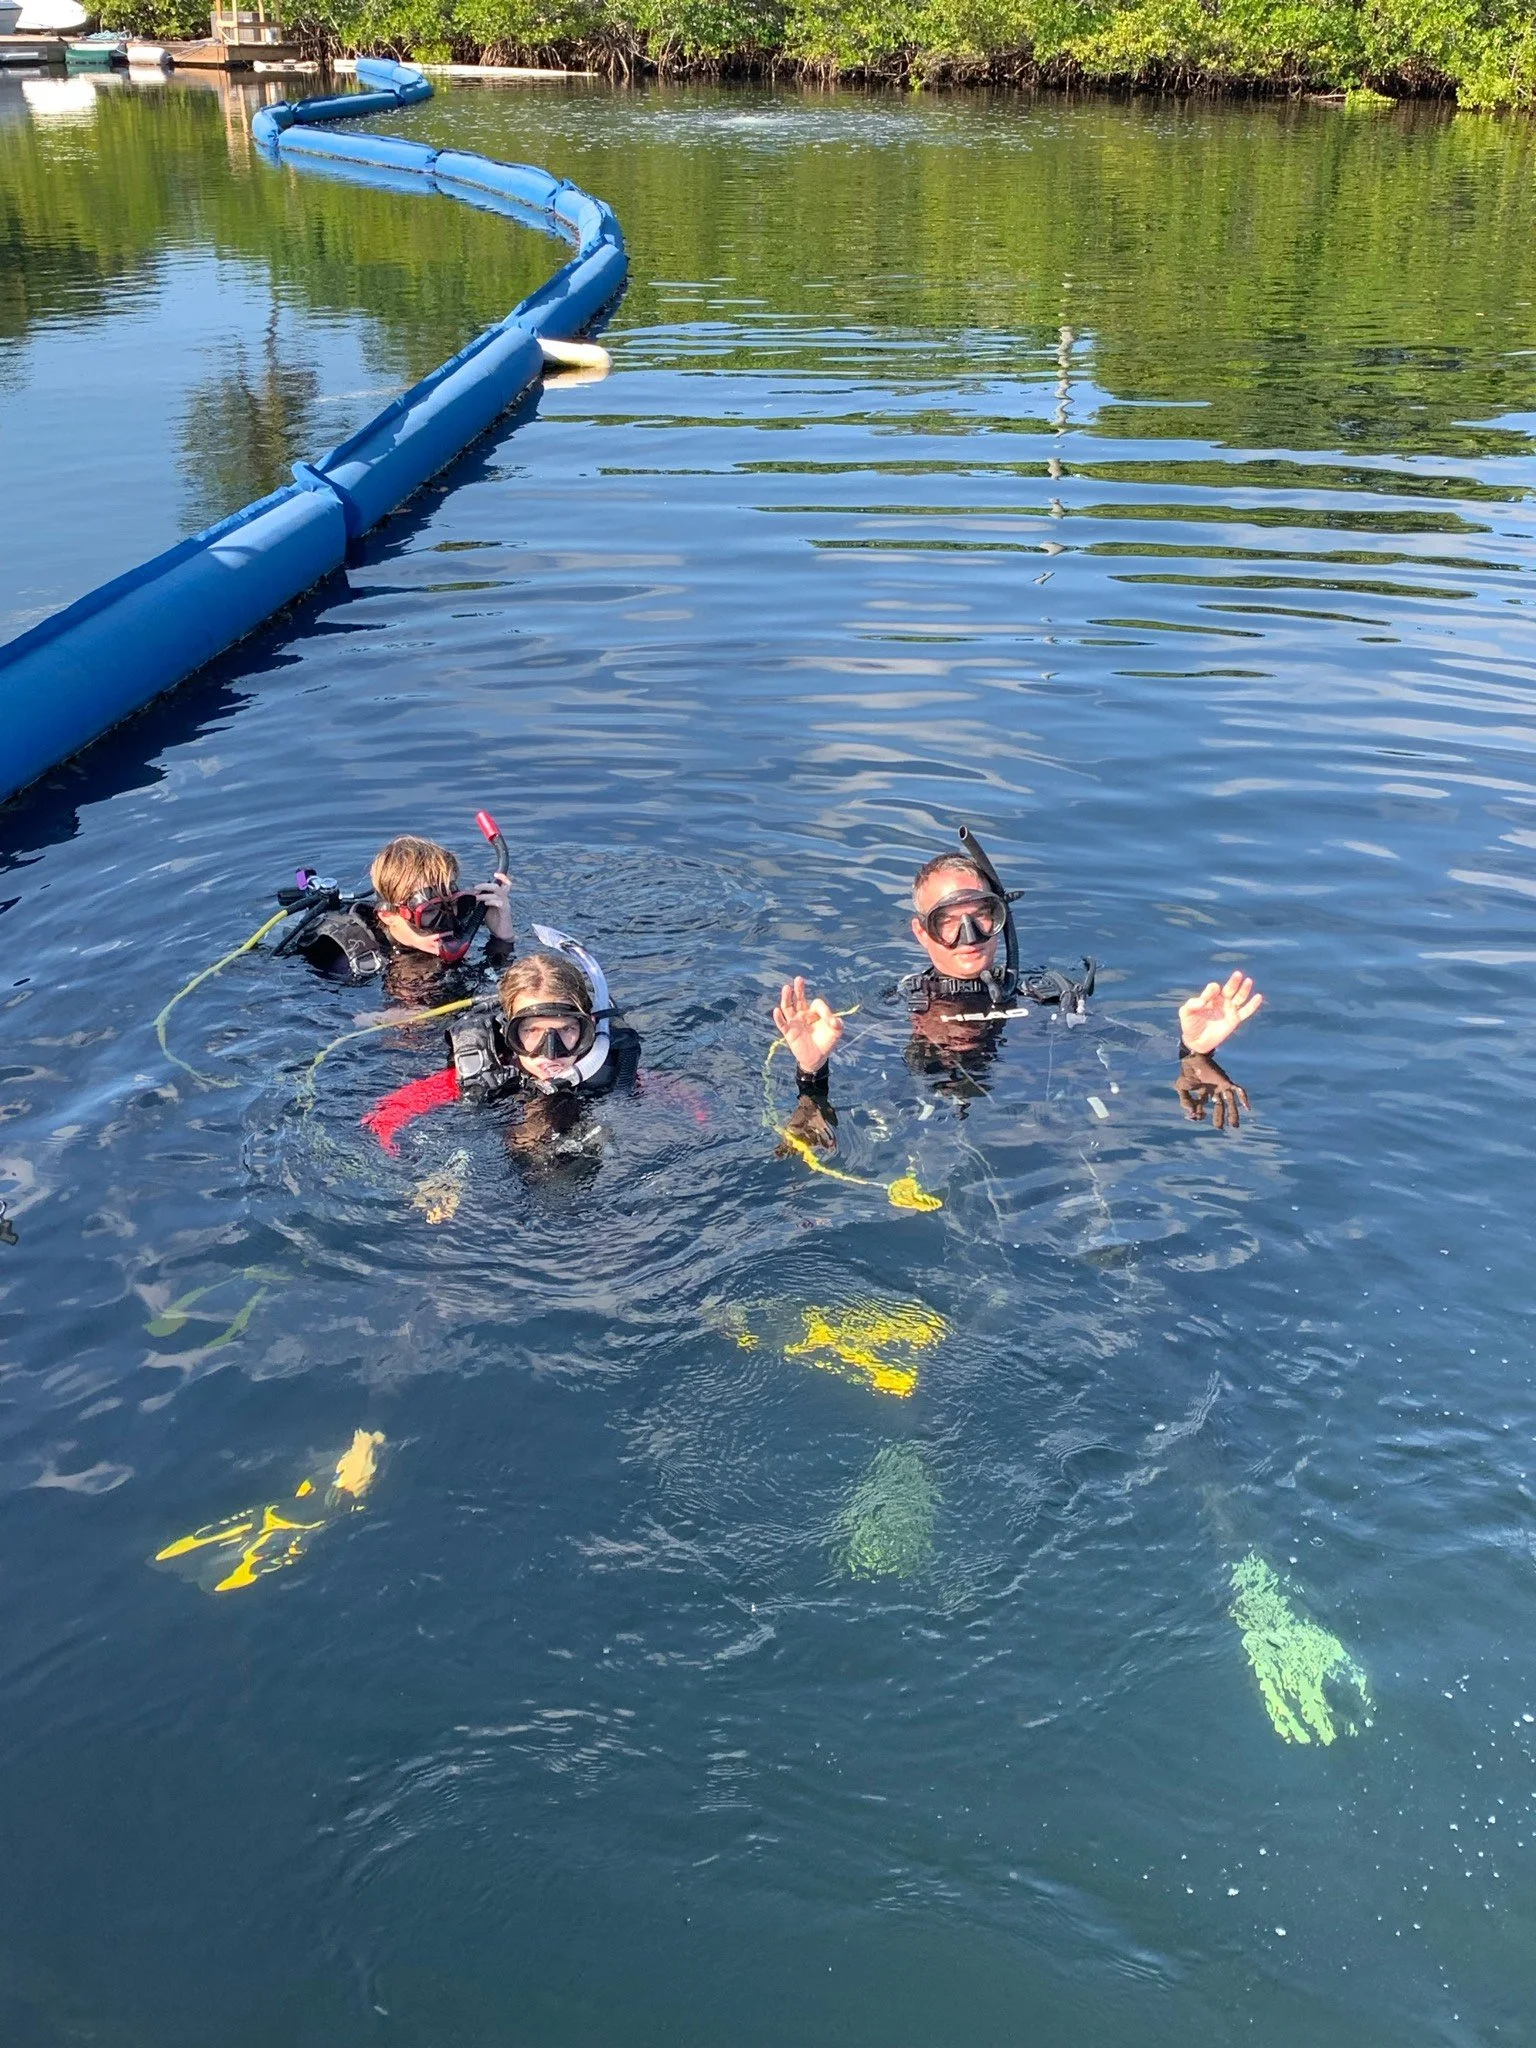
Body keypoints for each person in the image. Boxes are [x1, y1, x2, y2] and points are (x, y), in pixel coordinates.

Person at [773, 829, 1263, 1151]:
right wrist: (811, 1073)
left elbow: (1128, 1049)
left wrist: (1193, 1050)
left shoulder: (1044, 996)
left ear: (999, 917)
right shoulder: (898, 1008)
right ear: (922, 932)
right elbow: (860, 1085)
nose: (969, 938)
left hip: (1043, 1144)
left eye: (980, 916)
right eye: (948, 922)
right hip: (928, 1141)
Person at [361, 926, 639, 1157]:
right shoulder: (479, 1072)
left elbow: (672, 1092)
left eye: (566, 1030)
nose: (550, 1051)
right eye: (531, 1031)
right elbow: (384, 1117)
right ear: (508, 1032)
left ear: (588, 1028)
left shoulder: (611, 1069)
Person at [282, 832, 514, 1000]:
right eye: (430, 912)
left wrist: (502, 937)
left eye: (454, 905)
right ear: (388, 916)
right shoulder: (345, 961)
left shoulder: (457, 927)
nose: (445, 924)